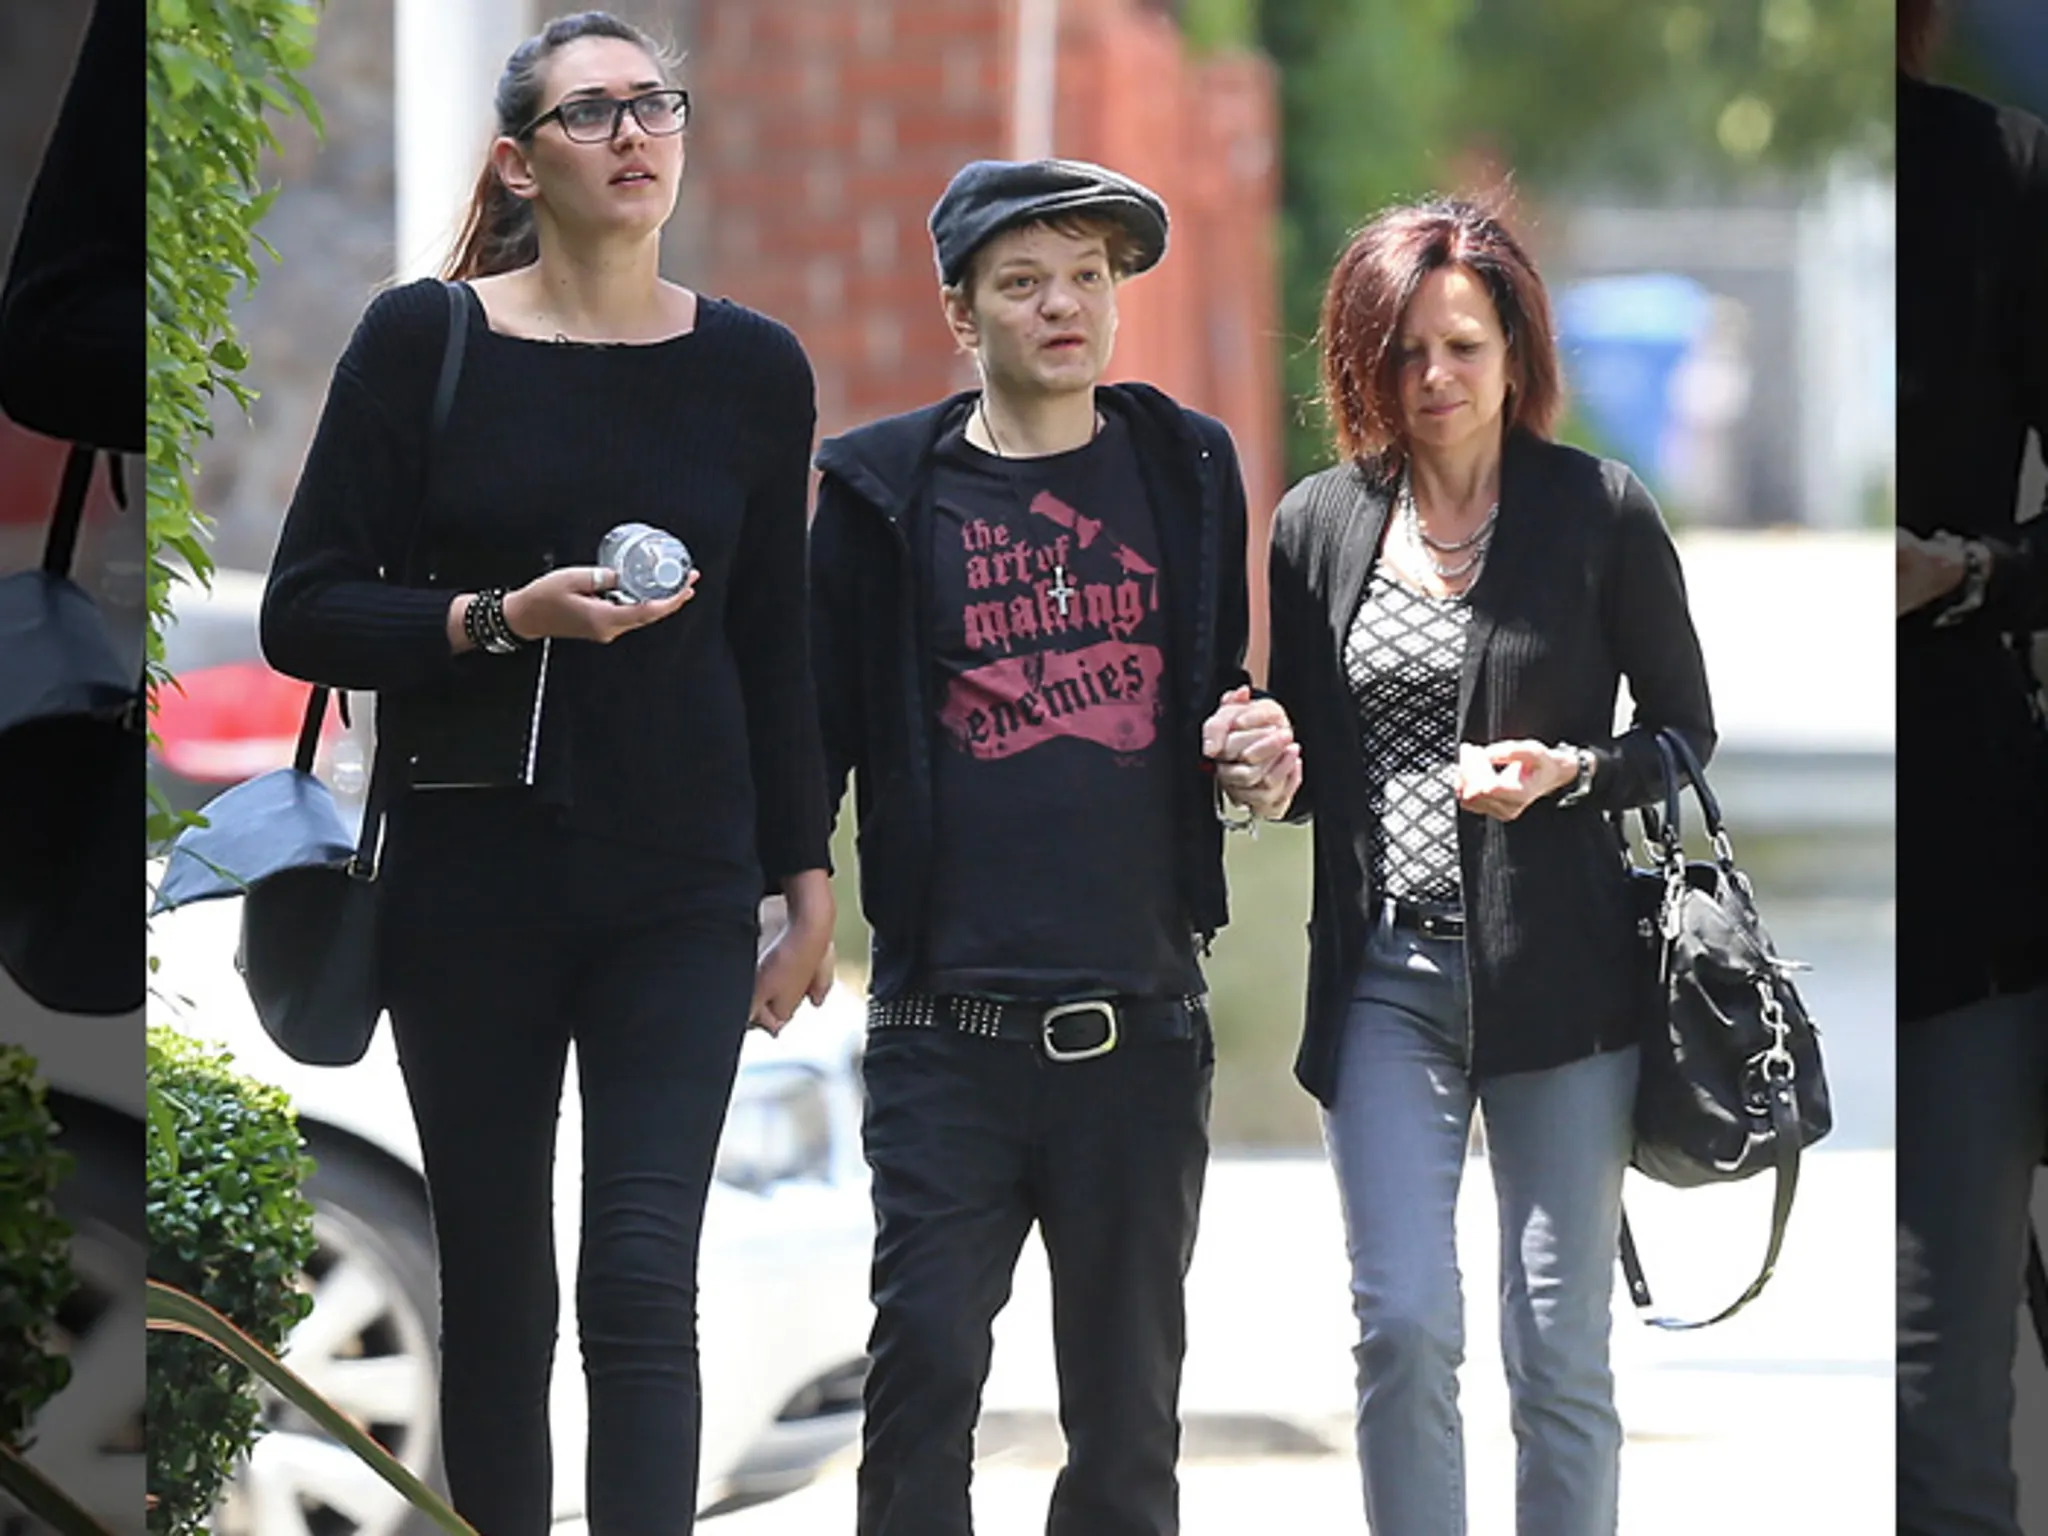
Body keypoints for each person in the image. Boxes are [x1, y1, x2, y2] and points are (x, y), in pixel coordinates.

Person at [259, 13, 833, 1531]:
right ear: (520, 160)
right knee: (501, 1295)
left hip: (679, 888)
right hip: (470, 886)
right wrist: (497, 617)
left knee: (642, 1282)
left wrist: (807, 874)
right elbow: (303, 608)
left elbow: (775, 642)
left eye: (657, 105)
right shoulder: (423, 340)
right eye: (592, 113)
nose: (636, 134)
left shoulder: (754, 367)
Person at [809, 157, 1287, 1536]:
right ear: (963, 314)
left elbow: (1214, 690)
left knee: (1129, 1430)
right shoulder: (882, 494)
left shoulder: (1185, 469)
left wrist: (1251, 753)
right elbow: (813, 731)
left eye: (1087, 276)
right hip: (944, 1030)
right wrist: (788, 897)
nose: (1062, 305)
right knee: (921, 1394)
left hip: (1137, 1027)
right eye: (1022, 282)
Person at [1233, 193, 1713, 1535]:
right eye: (1404, 352)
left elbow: (1684, 732)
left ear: (1515, 355)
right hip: (1383, 979)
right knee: (1400, 1323)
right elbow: (1307, 763)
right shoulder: (1320, 524)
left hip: (1564, 980)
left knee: (1556, 1350)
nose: (1433, 377)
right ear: (1364, 362)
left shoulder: (1599, 512)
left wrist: (1575, 771)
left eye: (1462, 347)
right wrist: (1262, 771)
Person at [1894, 2, 2048, 1530]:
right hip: (1775, 922)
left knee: (1937, 1417)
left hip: (1963, 851)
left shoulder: (2000, 172)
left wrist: (1966, 571)